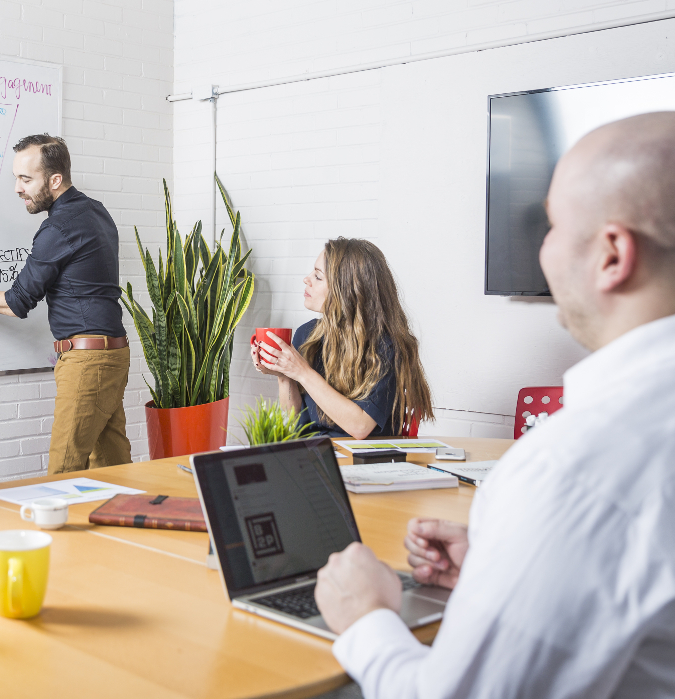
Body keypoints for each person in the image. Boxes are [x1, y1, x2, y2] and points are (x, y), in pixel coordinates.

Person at [315, 112, 675, 698]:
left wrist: (366, 618)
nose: (540, 248)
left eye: (552, 225)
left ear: (612, 254)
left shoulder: (572, 472)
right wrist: (513, 562)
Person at [0, 134, 130, 475]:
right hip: (113, 354)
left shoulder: (57, 228)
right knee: (113, 468)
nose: (18, 188)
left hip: (88, 361)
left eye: (26, 179)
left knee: (63, 471)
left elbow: (17, 302)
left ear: (55, 180)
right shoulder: (96, 212)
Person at [250, 238, 433, 439]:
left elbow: (360, 427)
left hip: (365, 459)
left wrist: (302, 372)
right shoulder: (306, 335)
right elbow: (292, 425)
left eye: (318, 277)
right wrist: (284, 374)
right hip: (317, 456)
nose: (306, 279)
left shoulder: (385, 347)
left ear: (346, 290)